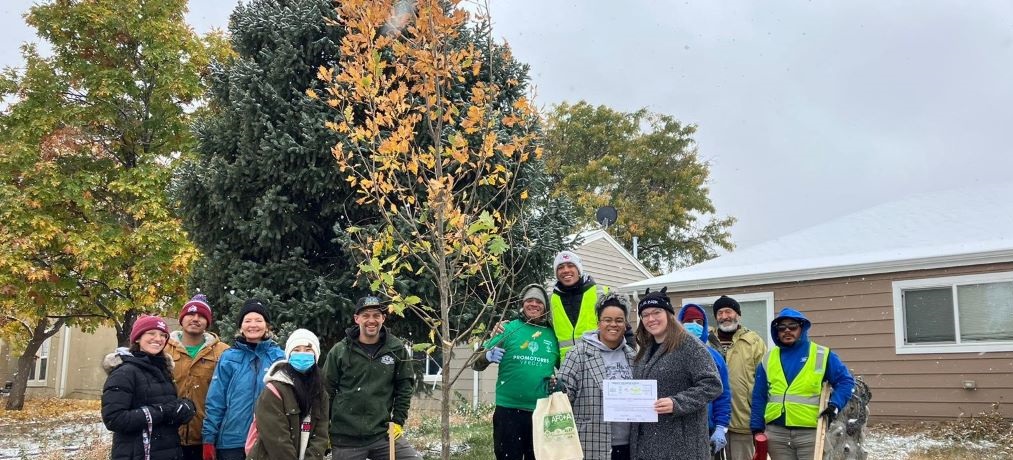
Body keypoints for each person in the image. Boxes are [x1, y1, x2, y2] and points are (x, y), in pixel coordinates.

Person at [750, 308, 855, 460]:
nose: (787, 331)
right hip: (777, 433)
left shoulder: (821, 354)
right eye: (782, 328)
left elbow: (845, 381)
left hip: (811, 432)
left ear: (802, 328)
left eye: (792, 327)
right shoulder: (768, 359)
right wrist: (756, 428)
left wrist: (835, 404)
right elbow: (759, 396)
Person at [323, 295, 420, 460]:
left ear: (383, 318)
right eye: (366, 315)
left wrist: (397, 421)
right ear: (356, 319)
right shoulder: (340, 351)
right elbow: (326, 391)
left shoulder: (395, 348)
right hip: (346, 438)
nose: (371, 320)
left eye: (376, 315)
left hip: (382, 435)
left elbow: (404, 386)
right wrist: (324, 429)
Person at [630, 288, 722, 460]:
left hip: (682, 445)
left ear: (669, 314)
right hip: (648, 444)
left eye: (656, 312)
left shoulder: (689, 345)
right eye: (645, 315)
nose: (650, 319)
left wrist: (677, 402)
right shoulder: (645, 349)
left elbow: (712, 384)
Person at [474, 284, 559, 460]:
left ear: (545, 307)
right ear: (522, 304)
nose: (534, 304)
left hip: (541, 412)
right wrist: (487, 355)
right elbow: (475, 363)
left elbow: (564, 367)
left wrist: (558, 381)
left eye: (538, 302)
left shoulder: (553, 334)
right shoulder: (509, 329)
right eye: (529, 300)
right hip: (508, 411)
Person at [101, 315, 196, 460]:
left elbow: (168, 408)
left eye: (163, 335)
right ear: (138, 338)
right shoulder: (124, 372)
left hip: (168, 452)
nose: (158, 339)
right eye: (151, 333)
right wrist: (162, 411)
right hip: (136, 453)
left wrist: (184, 408)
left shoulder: (164, 370)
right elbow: (114, 419)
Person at [202, 299, 285, 460]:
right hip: (232, 441)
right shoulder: (228, 358)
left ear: (267, 326)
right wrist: (208, 438)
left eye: (258, 320)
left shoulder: (279, 357)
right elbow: (215, 400)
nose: (253, 325)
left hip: (268, 440)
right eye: (247, 320)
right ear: (241, 327)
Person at [558, 293, 636, 460]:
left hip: (629, 446)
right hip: (591, 444)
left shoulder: (633, 356)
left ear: (626, 325)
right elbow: (563, 398)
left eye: (619, 320)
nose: (613, 324)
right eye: (607, 320)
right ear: (598, 323)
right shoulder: (578, 354)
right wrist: (557, 388)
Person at [247, 328, 329, 460]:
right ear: (289, 354)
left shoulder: (320, 392)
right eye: (296, 350)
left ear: (316, 355)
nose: (302, 354)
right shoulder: (274, 390)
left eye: (308, 350)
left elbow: (320, 435)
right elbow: (277, 440)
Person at [165, 294, 229, 460]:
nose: (195, 319)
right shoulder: (162, 349)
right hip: (168, 436)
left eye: (201, 316)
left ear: (207, 322)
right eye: (190, 314)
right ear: (182, 318)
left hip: (205, 437)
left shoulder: (223, 352)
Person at [706, 295, 766, 460]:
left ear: (738, 315)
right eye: (719, 313)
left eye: (728, 311)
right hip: (712, 421)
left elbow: (764, 382)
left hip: (743, 419)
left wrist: (759, 416)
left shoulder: (753, 342)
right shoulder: (705, 341)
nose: (724, 316)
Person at [678, 303, 732, 458]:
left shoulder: (714, 357)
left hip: (707, 429)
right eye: (689, 322)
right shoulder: (670, 354)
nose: (694, 326)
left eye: (699, 322)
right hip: (678, 428)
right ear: (680, 324)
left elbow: (723, 394)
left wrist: (721, 426)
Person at [550, 250, 615, 358]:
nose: (566, 270)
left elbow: (623, 329)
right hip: (567, 367)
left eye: (570, 265)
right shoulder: (551, 300)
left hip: (600, 364)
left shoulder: (601, 293)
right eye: (560, 267)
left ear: (579, 269)